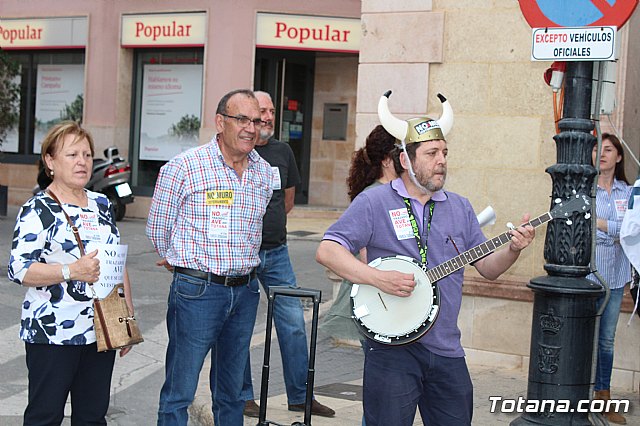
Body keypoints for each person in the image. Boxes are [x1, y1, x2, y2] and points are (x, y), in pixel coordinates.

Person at [316, 91, 535, 426]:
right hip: (391, 349)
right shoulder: (375, 202)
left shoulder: (459, 207)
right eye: (432, 153)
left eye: (444, 152)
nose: (441, 160)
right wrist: (377, 278)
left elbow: (489, 269)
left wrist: (513, 249)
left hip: (446, 348)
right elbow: (327, 250)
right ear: (406, 160)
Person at [146, 89, 274, 426]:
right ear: (220, 122)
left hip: (245, 292)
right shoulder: (184, 167)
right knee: (180, 389)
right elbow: (158, 228)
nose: (251, 128)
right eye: (242, 119)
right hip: (198, 292)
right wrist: (180, 260)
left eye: (256, 121)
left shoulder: (264, 172)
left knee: (232, 393)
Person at [8, 121, 135, 425]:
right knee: (45, 416)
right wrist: (71, 270)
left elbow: (115, 261)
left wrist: (126, 319)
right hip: (52, 332)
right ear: (50, 161)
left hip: (100, 328)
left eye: (87, 155)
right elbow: (19, 268)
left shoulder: (101, 203)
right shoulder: (38, 209)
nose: (82, 162)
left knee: (92, 416)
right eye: (72, 155)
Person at [241, 91, 335, 418]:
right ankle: (243, 397)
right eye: (262, 110)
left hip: (277, 253)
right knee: (240, 326)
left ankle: (300, 397)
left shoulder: (283, 152)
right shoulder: (240, 150)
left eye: (271, 110)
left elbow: (288, 201)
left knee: (293, 324)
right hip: (243, 255)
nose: (268, 116)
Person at [320, 124, 398, 344]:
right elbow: (366, 255)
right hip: (379, 299)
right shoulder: (374, 195)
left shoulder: (392, 192)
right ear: (386, 160)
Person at [590, 132, 632, 425]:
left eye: (607, 150)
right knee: (584, 339)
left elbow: (630, 230)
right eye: (597, 150)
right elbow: (583, 225)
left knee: (606, 340)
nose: (601, 154)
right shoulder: (585, 190)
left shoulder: (627, 193)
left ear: (618, 156)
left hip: (615, 278)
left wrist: (601, 224)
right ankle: (577, 397)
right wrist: (615, 230)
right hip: (588, 278)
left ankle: (603, 399)